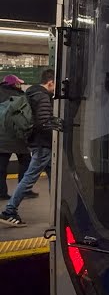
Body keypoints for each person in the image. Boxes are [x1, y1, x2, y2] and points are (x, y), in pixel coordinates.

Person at [0, 69, 58, 227]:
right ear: (50, 82)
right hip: (43, 145)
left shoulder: (31, 93)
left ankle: (58, 212)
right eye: (55, 85)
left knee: (55, 178)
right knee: (29, 178)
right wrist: (59, 126)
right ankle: (9, 211)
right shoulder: (43, 96)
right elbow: (44, 122)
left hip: (36, 143)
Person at [0, 75, 31, 200]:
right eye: (19, 83)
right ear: (14, 84)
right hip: (17, 136)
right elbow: (25, 117)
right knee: (26, 162)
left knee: (1, 167)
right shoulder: (20, 97)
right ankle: (24, 190)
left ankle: (1, 192)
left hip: (1, 138)